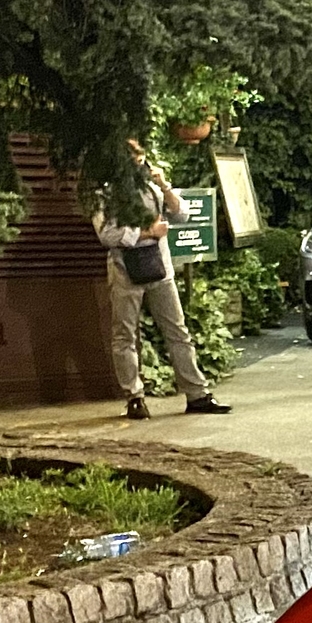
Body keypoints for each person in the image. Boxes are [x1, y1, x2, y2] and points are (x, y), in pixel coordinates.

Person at [93, 138, 231, 419]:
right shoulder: (105, 194)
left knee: (177, 331)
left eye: (140, 154)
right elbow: (106, 234)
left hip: (160, 268)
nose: (137, 161)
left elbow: (182, 214)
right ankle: (134, 397)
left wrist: (165, 186)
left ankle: (197, 395)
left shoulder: (153, 187)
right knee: (125, 335)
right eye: (131, 156)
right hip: (125, 271)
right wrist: (146, 234)